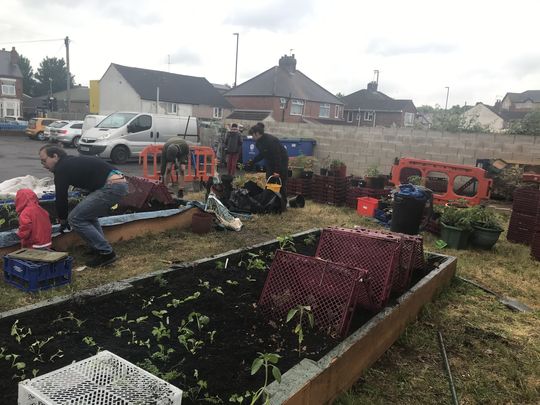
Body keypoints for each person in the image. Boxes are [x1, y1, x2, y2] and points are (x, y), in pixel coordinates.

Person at [38, 145, 129, 267]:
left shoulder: (61, 168)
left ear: (55, 156)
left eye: (44, 160)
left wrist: (63, 219)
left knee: (75, 218)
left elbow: (61, 197)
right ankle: (98, 248)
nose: (43, 165)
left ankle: (107, 253)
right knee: (88, 216)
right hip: (118, 182)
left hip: (111, 186)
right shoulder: (70, 162)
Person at [248, 122, 289, 211]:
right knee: (270, 181)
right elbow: (262, 154)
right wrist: (253, 161)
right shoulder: (258, 143)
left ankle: (283, 205)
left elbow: (277, 156)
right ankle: (270, 203)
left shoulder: (271, 141)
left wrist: (277, 171)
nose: (252, 137)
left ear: (257, 133)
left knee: (280, 183)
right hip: (270, 162)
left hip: (281, 162)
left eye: (253, 135)